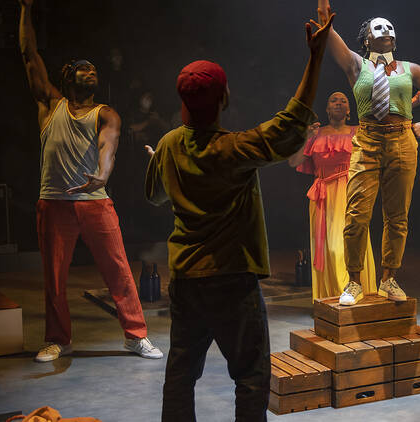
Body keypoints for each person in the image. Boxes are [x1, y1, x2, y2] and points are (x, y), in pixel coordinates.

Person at [143, 12, 334, 421]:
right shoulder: (235, 149)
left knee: (180, 373)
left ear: (182, 103)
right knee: (250, 376)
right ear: (224, 99)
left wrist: (161, 163)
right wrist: (315, 59)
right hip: (232, 279)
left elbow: (157, 198)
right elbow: (291, 120)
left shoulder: (169, 145)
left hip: (187, 280)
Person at [18, 0, 162, 363]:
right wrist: (25, 9)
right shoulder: (50, 105)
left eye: (94, 69)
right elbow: (28, 53)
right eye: (84, 69)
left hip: (95, 201)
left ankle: (135, 335)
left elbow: (108, 145)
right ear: (68, 77)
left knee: (119, 270)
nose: (91, 71)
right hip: (54, 202)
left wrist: (103, 173)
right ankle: (58, 339)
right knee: (54, 278)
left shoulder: (105, 112)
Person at [313, 0, 420, 305]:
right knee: (356, 216)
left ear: (395, 38)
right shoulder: (356, 65)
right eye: (378, 27)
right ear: (366, 39)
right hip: (367, 141)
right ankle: (354, 281)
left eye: (389, 27)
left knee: (397, 216)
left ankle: (389, 279)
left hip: (402, 141)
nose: (385, 30)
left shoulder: (410, 69)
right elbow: (328, 31)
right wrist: (324, 13)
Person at [289, 92, 377, 303]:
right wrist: (306, 138)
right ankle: (333, 298)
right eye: (333, 100)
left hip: (352, 191)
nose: (338, 103)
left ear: (349, 110)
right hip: (324, 196)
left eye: (343, 101)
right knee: (331, 249)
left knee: (351, 244)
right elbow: (293, 161)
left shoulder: (358, 131)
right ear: (327, 109)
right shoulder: (316, 134)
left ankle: (358, 294)